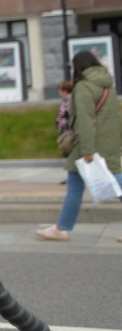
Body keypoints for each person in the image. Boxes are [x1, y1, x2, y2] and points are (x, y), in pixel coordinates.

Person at [36, 51, 122, 242]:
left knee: (78, 188)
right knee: (116, 182)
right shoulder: (108, 83)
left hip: (88, 146)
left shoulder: (83, 86)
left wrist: (88, 151)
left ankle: (61, 229)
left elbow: (85, 121)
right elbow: (113, 117)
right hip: (109, 143)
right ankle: (61, 228)